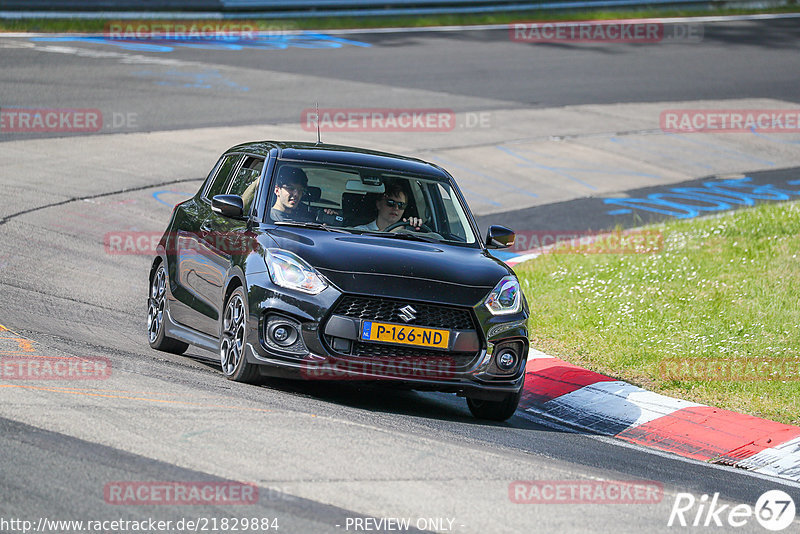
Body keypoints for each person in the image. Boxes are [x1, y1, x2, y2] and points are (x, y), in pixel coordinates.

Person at [355, 183, 423, 232]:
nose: (396, 208)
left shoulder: (406, 233)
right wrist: (395, 230)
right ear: (378, 204)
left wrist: (415, 226)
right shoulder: (360, 231)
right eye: (391, 203)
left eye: (401, 205)